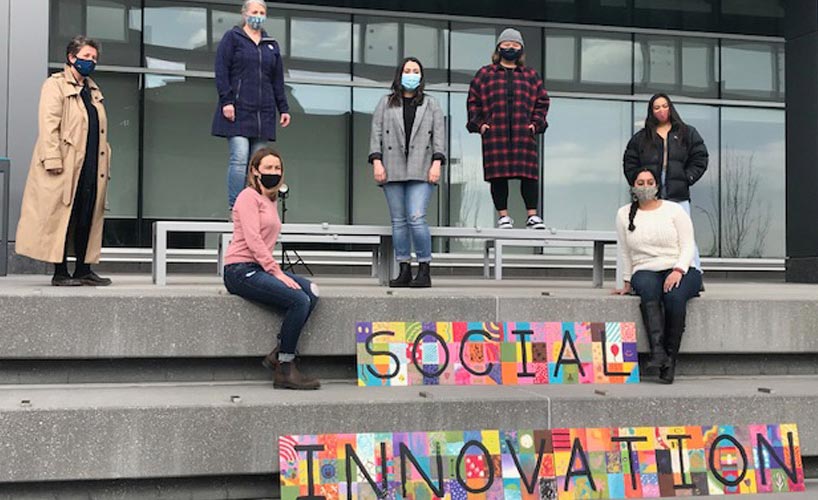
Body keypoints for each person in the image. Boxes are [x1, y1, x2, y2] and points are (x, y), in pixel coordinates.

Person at [16, 35, 112, 287]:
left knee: (87, 214)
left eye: (94, 57)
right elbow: (49, 126)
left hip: (91, 163)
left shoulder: (92, 90)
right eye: (86, 56)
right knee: (62, 215)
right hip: (65, 163)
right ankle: (60, 272)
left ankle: (83, 269)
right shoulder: (55, 85)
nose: (90, 61)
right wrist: (52, 159)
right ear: (71, 57)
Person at [223, 148, 320, 390]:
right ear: (255, 171)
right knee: (299, 300)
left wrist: (271, 270)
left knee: (312, 292)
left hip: (259, 267)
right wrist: (275, 271)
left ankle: (278, 352)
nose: (274, 172)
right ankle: (286, 367)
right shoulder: (247, 197)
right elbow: (253, 239)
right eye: (268, 168)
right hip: (240, 269)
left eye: (277, 168)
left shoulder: (271, 200)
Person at [613, 169, 702, 384]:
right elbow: (624, 251)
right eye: (641, 182)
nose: (646, 186)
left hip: (681, 267)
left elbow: (688, 244)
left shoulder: (674, 210)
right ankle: (658, 353)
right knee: (649, 291)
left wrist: (678, 270)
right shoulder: (624, 214)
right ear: (633, 186)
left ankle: (670, 359)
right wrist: (626, 281)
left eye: (650, 182)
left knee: (674, 297)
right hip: (645, 269)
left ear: (657, 185)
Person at [369, 57, 446, 288]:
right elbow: (376, 133)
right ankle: (404, 268)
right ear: (399, 74)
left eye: (415, 71)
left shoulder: (431, 104)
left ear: (421, 76)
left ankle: (424, 268)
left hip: (422, 167)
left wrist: (437, 163)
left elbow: (439, 137)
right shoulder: (386, 103)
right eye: (407, 70)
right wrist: (376, 161)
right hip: (392, 166)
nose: (411, 74)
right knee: (399, 221)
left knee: (416, 217)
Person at [467, 28, 550, 230]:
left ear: (521, 49)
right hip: (496, 134)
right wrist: (480, 125)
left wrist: (535, 124)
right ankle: (503, 216)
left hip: (524, 134)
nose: (510, 47)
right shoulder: (485, 74)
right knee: (498, 176)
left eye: (515, 44)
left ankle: (532, 216)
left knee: (529, 176)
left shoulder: (530, 75)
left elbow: (543, 101)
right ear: (498, 47)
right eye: (507, 44)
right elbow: (473, 101)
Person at [212, 0, 290, 210]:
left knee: (259, 164)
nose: (258, 15)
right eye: (254, 11)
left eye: (262, 12)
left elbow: (277, 80)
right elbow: (221, 71)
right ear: (245, 14)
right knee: (239, 157)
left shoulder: (271, 44)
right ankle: (236, 206)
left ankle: (256, 204)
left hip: (262, 113)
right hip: (237, 110)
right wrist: (227, 101)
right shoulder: (232, 38)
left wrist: (283, 107)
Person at [623, 93, 708, 272]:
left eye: (664, 106)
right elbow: (629, 161)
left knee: (685, 234)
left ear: (670, 107)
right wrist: (638, 183)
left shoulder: (687, 132)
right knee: (649, 232)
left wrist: (687, 177)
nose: (661, 110)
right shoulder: (642, 137)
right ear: (651, 111)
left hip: (678, 190)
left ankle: (694, 272)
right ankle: (651, 272)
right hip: (651, 191)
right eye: (656, 107)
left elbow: (700, 157)